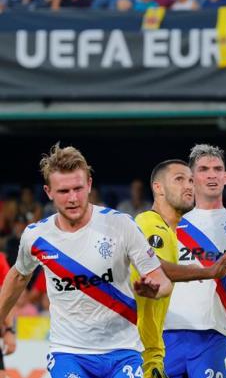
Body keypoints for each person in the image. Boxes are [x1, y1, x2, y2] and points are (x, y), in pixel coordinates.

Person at [0, 143, 173, 378]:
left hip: (122, 351)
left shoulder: (120, 225)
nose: (73, 198)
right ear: (48, 192)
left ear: (89, 184)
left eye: (78, 188)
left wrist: (155, 289)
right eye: (63, 191)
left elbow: (162, 280)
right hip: (68, 353)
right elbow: (19, 277)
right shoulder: (36, 236)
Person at [133, 159, 226, 378]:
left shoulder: (174, 233)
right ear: (158, 188)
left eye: (191, 180)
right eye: (179, 179)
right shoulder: (148, 222)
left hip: (154, 348)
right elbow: (157, 268)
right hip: (138, 350)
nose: (189, 186)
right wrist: (207, 272)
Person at [163, 145, 226, 378]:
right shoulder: (170, 224)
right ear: (191, 178)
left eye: (218, 169)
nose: (211, 175)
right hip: (167, 331)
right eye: (204, 169)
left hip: (216, 332)